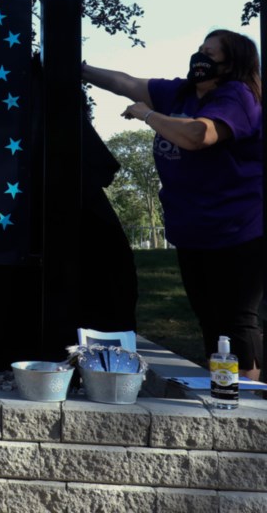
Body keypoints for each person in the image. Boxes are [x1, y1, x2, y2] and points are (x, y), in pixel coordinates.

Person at [83, 29, 263, 380]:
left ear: (232, 63)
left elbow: (198, 135)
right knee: (210, 318)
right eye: (199, 50)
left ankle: (249, 404)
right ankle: (222, 390)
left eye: (210, 54)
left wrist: (147, 115)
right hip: (193, 228)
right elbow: (126, 82)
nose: (201, 58)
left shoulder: (237, 96)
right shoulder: (180, 92)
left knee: (237, 319)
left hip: (241, 228)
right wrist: (80, 69)